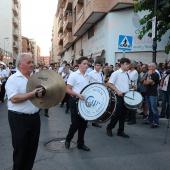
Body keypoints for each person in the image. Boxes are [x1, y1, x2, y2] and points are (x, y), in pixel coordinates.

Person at [5, 53, 44, 170]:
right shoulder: (13, 79)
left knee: (32, 150)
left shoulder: (36, 78)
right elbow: (14, 98)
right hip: (18, 119)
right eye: (29, 62)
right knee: (20, 151)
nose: (32, 65)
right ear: (20, 64)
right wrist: (34, 94)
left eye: (32, 62)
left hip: (35, 118)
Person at [65, 56, 91, 151]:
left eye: (87, 64)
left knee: (84, 124)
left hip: (84, 103)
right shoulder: (74, 75)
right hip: (75, 101)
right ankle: (68, 139)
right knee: (75, 123)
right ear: (79, 65)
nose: (86, 65)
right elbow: (67, 89)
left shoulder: (88, 76)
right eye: (84, 64)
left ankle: (80, 143)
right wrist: (77, 94)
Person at [106, 58, 131, 138]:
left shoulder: (127, 74)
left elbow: (126, 84)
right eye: (127, 64)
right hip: (119, 96)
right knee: (117, 114)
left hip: (126, 95)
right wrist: (117, 91)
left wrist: (131, 86)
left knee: (124, 114)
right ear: (122, 64)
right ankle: (109, 128)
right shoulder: (116, 73)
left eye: (129, 64)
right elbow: (109, 84)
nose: (128, 66)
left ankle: (121, 131)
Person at [143, 62, 160, 128]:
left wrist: (149, 77)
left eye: (149, 67)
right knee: (150, 108)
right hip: (147, 93)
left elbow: (147, 82)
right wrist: (148, 80)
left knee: (154, 108)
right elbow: (144, 83)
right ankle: (149, 120)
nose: (148, 68)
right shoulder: (148, 74)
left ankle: (156, 122)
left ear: (153, 67)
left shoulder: (156, 74)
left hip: (153, 94)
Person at [88, 60, 104, 128]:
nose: (98, 67)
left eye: (99, 65)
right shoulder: (90, 73)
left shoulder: (101, 74)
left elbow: (102, 82)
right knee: (90, 107)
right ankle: (85, 121)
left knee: (96, 107)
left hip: (99, 93)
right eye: (97, 65)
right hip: (92, 92)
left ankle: (95, 122)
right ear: (94, 66)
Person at [127, 60, 138, 125]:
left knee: (132, 105)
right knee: (128, 105)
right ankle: (129, 117)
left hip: (132, 90)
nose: (128, 65)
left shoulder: (135, 72)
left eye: (129, 64)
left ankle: (133, 119)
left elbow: (129, 80)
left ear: (132, 65)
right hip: (128, 89)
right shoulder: (128, 71)